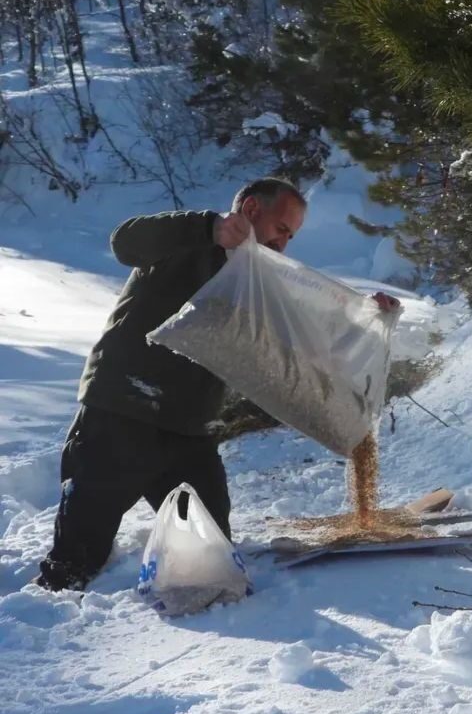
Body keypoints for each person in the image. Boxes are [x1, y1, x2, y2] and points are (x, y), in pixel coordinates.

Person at [37, 177, 399, 591]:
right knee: (75, 562)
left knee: (213, 553)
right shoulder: (188, 242)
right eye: (281, 230)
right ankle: (50, 623)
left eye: (291, 236)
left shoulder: (260, 281)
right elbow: (125, 242)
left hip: (187, 430)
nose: (284, 243)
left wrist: (368, 317)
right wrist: (208, 227)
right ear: (251, 211)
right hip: (122, 410)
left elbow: (307, 333)